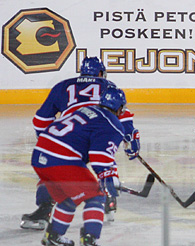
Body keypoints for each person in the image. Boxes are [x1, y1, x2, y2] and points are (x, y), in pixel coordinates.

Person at [22, 57, 139, 230]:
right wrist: (130, 138)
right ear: (100, 73)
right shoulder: (108, 86)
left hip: (68, 135)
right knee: (104, 159)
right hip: (100, 129)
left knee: (55, 172)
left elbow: (40, 121)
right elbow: (122, 116)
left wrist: (51, 139)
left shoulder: (62, 86)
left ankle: (44, 210)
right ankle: (109, 197)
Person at [33, 86, 136, 246]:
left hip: (40, 154)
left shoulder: (86, 109)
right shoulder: (113, 123)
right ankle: (90, 244)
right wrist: (108, 179)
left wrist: (108, 174)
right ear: (119, 108)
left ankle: (52, 239)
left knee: (68, 198)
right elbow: (99, 157)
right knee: (96, 196)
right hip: (62, 159)